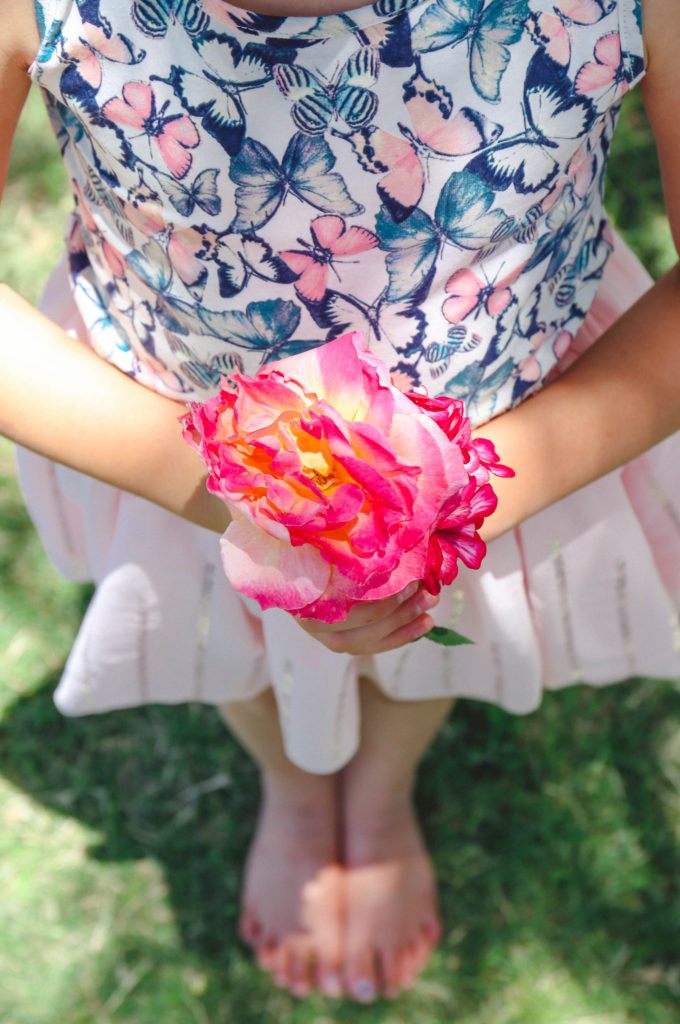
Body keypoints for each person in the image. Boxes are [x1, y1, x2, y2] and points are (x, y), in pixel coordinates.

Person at [1, 0, 679, 1003]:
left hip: (498, 439)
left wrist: (445, 508)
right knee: (235, 635)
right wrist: (228, 500)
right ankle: (289, 778)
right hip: (175, 441)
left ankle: (383, 781)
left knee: (431, 632)